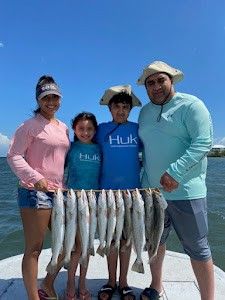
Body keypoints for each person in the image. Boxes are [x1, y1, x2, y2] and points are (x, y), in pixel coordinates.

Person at [137, 61, 214, 300]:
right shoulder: (144, 112)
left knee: (198, 248)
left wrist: (175, 172)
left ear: (172, 80)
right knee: (155, 242)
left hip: (187, 192)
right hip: (152, 193)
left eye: (161, 80)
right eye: (150, 83)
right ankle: (156, 286)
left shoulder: (192, 105)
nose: (156, 86)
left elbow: (203, 142)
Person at [7, 75, 70, 300]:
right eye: (46, 98)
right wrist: (35, 177)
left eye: (55, 97)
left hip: (60, 194)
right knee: (34, 248)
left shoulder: (63, 127)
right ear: (38, 99)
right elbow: (13, 156)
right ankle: (34, 297)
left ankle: (47, 283)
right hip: (35, 193)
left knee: (67, 246)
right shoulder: (29, 126)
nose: (51, 101)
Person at [96, 85, 142, 300]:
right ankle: (111, 280)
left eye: (125, 107)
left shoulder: (137, 129)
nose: (121, 111)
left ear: (130, 110)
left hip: (133, 195)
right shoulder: (101, 129)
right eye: (117, 107)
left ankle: (124, 282)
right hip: (107, 196)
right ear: (110, 109)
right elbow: (81, 148)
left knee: (126, 240)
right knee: (111, 240)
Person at [65, 112, 101, 300]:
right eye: (81, 129)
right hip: (72, 203)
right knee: (75, 247)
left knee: (86, 246)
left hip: (93, 204)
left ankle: (83, 284)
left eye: (89, 129)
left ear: (95, 130)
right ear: (74, 130)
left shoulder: (99, 149)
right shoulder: (70, 148)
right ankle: (71, 284)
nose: (85, 132)